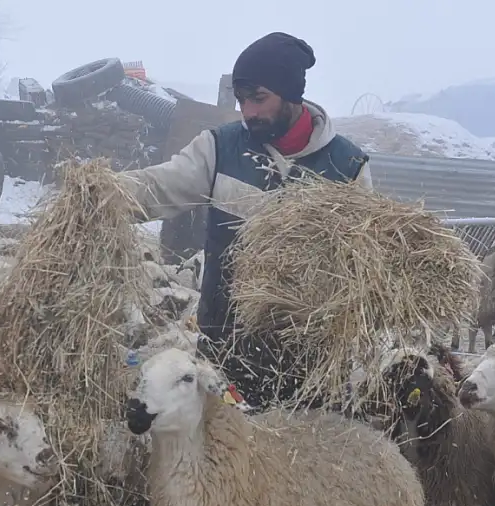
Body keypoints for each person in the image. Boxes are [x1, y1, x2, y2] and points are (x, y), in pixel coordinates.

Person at [118, 32, 373, 411]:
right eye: (242, 100)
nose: (248, 112)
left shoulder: (348, 169)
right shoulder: (220, 148)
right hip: (224, 351)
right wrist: (102, 193)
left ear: (291, 95)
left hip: (307, 367)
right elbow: (159, 186)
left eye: (259, 98)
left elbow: (361, 264)